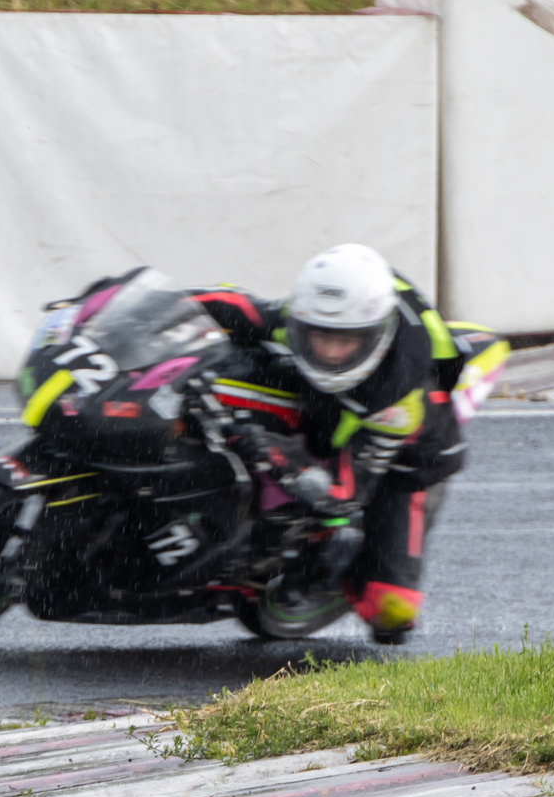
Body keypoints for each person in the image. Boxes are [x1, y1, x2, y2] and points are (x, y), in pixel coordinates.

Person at [187, 243, 509, 645]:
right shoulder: (309, 313)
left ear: (377, 337)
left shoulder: (399, 398)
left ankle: (333, 573)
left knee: (391, 612)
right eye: (317, 336)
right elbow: (234, 304)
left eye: (345, 342)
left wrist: (272, 452)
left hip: (403, 464)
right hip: (339, 405)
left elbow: (343, 492)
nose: (328, 351)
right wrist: (154, 306)